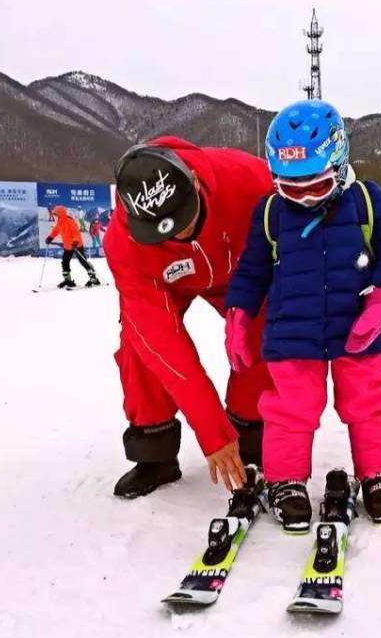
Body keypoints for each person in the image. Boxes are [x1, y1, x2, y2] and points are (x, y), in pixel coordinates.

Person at [225, 100, 381, 531]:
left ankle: (378, 472)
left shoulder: (368, 200)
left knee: (367, 401)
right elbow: (252, 270)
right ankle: (286, 481)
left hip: (359, 328)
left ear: (340, 163)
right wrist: (237, 317)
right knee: (292, 407)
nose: (306, 197)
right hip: (293, 331)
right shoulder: (272, 213)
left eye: (316, 184)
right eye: (292, 188)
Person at [103, 138, 274, 498]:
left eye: (184, 218)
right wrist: (211, 430)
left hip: (240, 271)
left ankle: (250, 431)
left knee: (265, 328)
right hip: (166, 282)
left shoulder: (250, 178)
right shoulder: (123, 244)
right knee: (141, 347)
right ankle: (155, 452)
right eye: (163, 230)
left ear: (195, 181)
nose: (180, 234)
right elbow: (163, 343)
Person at [45, 206, 101, 288]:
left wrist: (75, 241)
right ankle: (68, 280)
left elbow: (76, 232)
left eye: (56, 214)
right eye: (55, 214)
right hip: (68, 246)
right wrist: (50, 237)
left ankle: (93, 278)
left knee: (83, 261)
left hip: (76, 245)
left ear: (60, 214)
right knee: (65, 262)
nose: (55, 216)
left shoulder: (69, 221)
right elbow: (56, 230)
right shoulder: (60, 222)